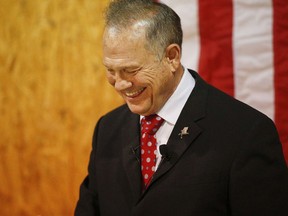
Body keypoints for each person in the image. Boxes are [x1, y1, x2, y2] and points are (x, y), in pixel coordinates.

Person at [75, 0, 288, 215]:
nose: (120, 84)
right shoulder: (108, 129)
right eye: (111, 70)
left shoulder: (247, 133)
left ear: (172, 57)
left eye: (131, 70)